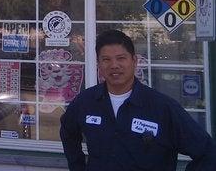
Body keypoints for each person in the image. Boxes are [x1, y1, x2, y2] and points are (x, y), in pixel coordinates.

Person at [60, 29, 216, 171]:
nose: (114, 65)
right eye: (106, 59)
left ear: (134, 61)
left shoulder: (162, 107)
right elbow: (68, 132)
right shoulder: (86, 102)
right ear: (99, 64)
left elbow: (207, 152)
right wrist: (77, 166)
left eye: (121, 58)